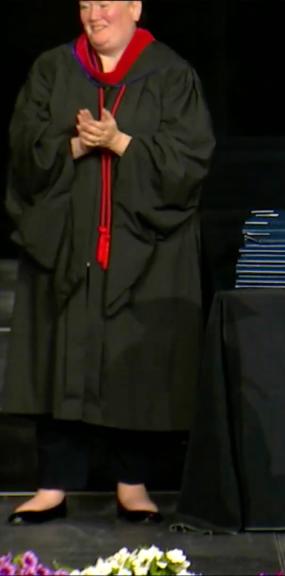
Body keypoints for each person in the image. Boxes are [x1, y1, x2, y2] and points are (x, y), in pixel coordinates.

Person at [3, 0, 215, 525]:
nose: (94, 15)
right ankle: (52, 483)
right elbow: (24, 150)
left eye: (105, 3)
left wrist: (120, 142)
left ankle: (132, 482)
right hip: (68, 246)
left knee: (133, 363)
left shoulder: (169, 73)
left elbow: (191, 158)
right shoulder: (54, 69)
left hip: (140, 248)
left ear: (135, 7)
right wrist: (76, 143)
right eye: (85, 4)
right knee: (60, 354)